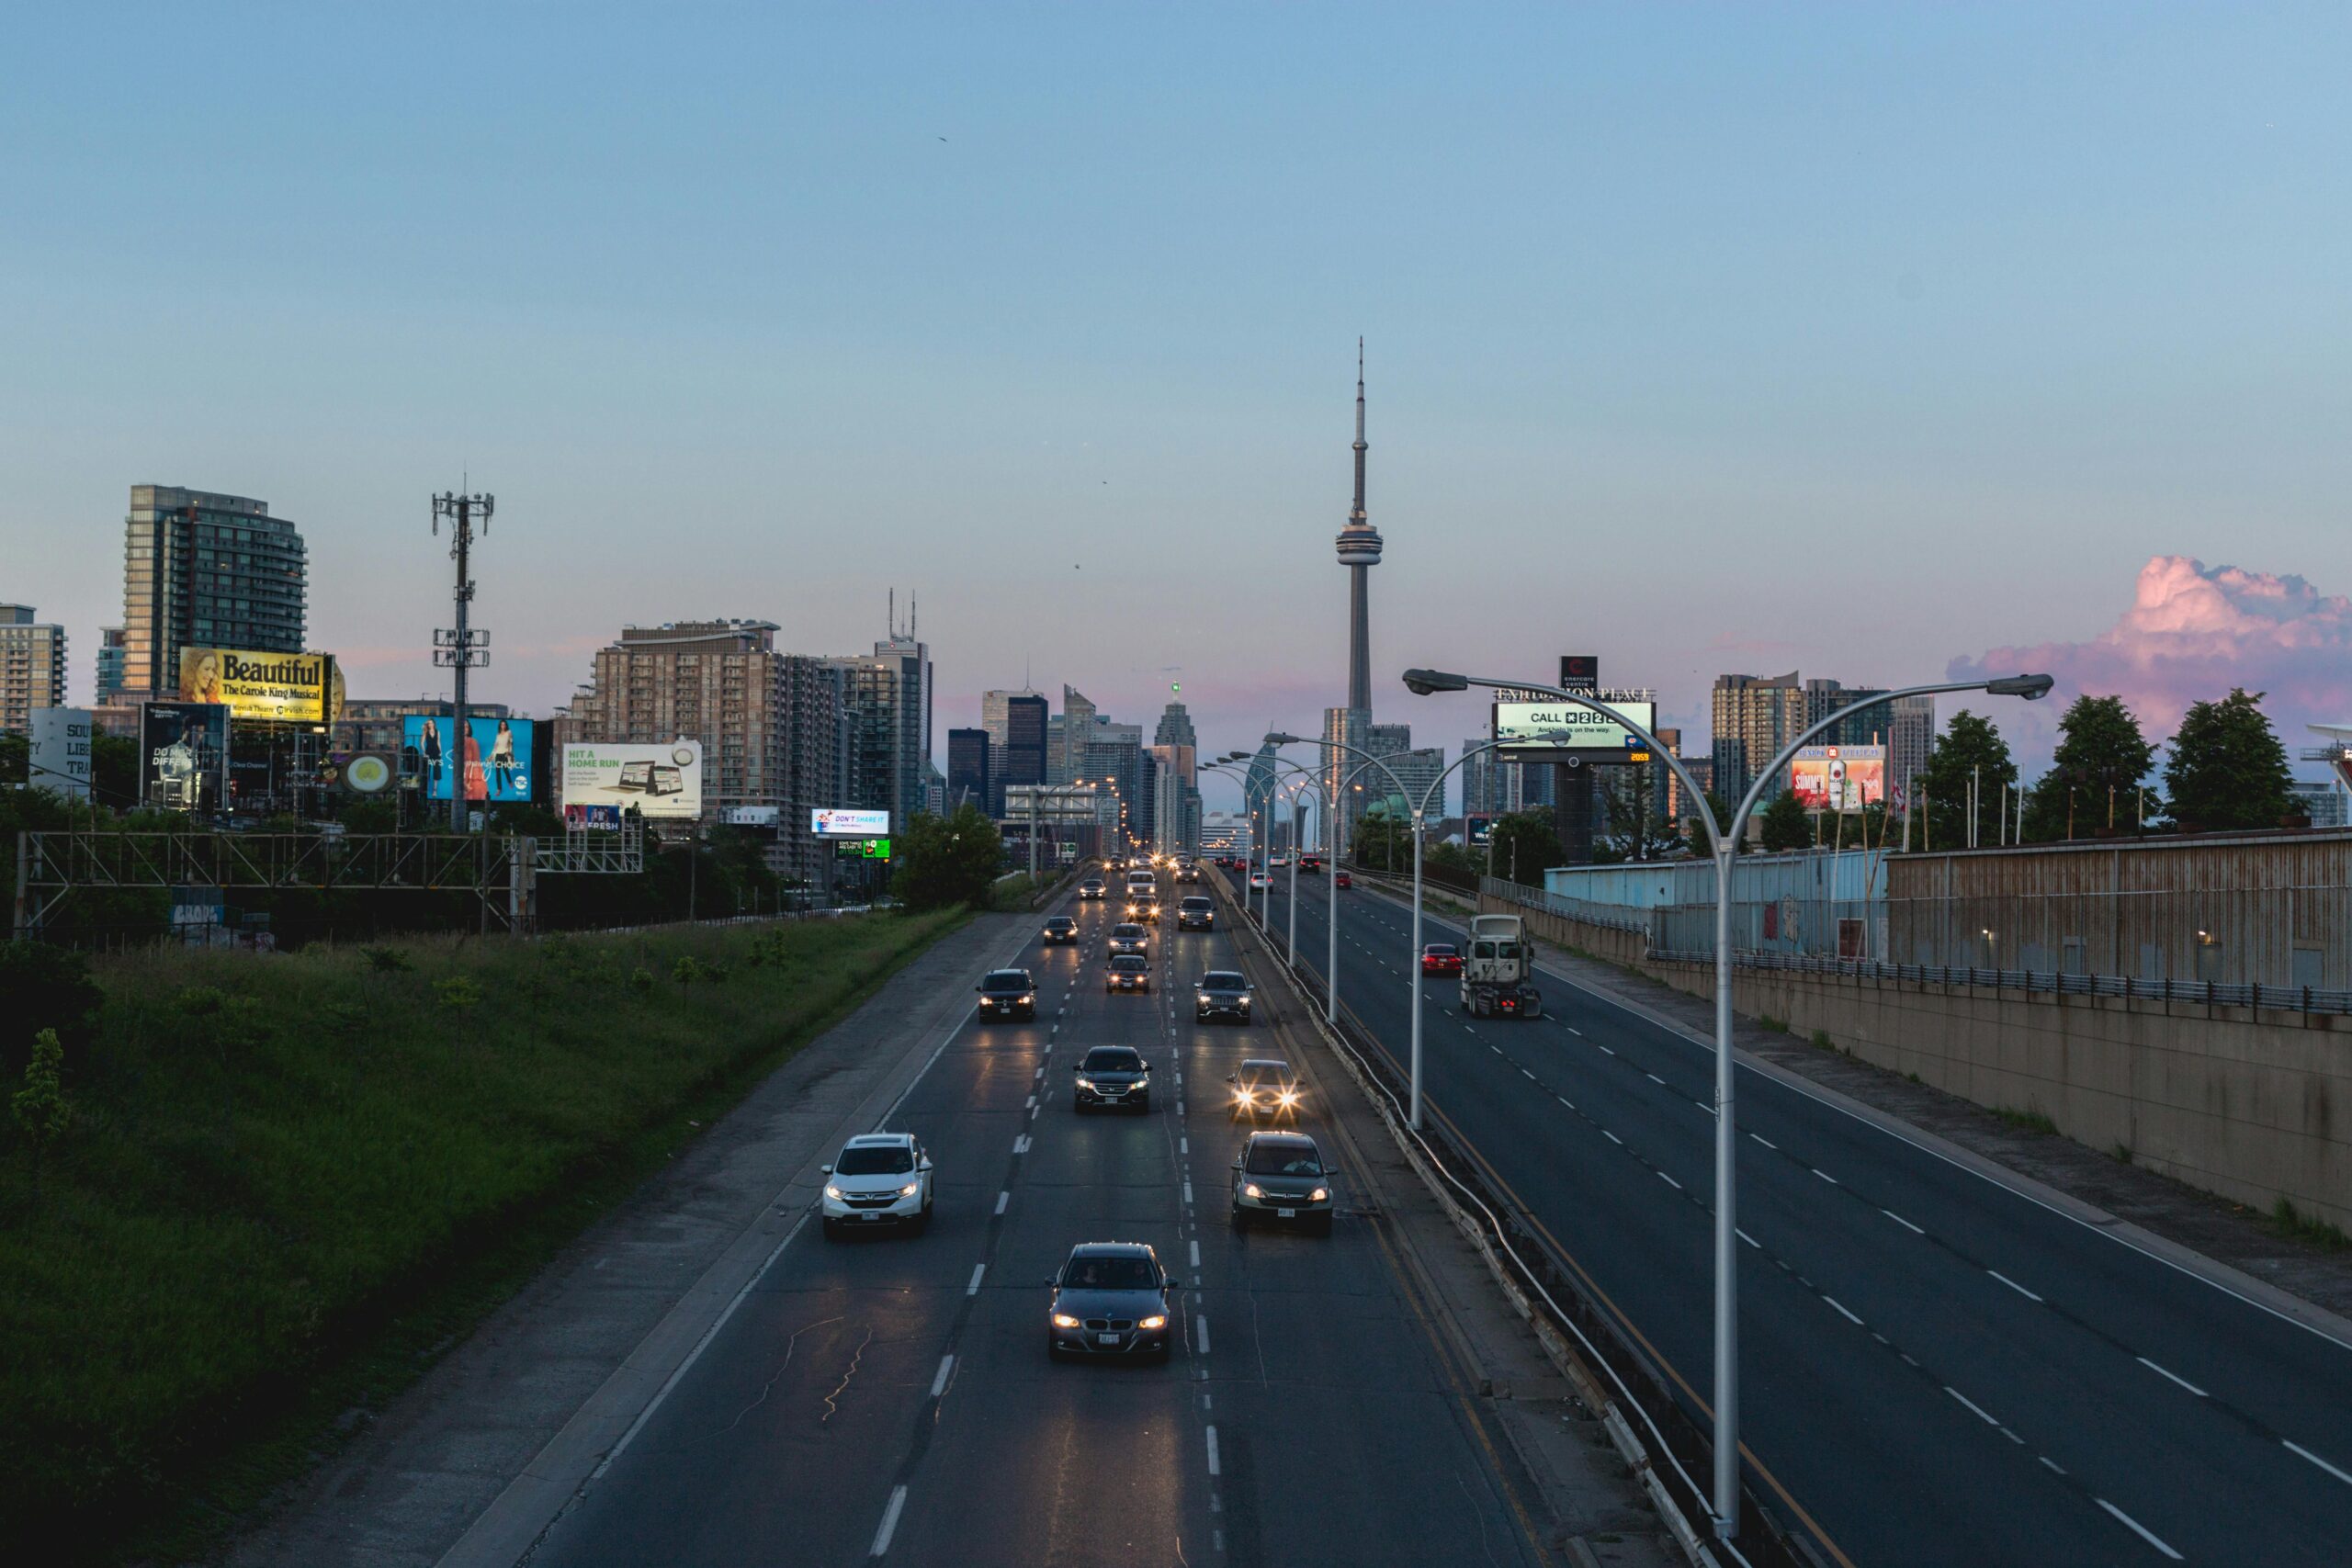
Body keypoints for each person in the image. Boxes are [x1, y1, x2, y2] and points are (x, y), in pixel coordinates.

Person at [489, 718, 518, 796]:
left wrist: (509, 752)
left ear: (506, 725)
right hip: (498, 754)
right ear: (500, 726)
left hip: (505, 753)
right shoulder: (498, 735)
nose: (503, 726)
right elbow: (495, 746)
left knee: (505, 770)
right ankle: (499, 789)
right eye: (502, 724)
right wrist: (492, 755)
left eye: (504, 724)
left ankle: (510, 782)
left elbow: (511, 743)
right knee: (497, 772)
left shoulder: (509, 732)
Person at [462, 725, 487, 802]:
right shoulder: (457, 742)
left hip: (472, 776)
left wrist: (467, 782)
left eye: (466, 727)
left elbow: (476, 762)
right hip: (461, 775)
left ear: (469, 729)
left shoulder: (473, 741)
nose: (464, 729)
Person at [421, 719, 445, 795]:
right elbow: (422, 743)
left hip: (436, 753)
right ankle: (424, 789)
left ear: (434, 723)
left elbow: (438, 742)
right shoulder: (425, 732)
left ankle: (435, 791)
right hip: (428, 753)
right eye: (429, 723)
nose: (430, 724)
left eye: (431, 723)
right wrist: (424, 752)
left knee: (437, 772)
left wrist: (441, 751)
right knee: (426, 771)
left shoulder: (438, 732)